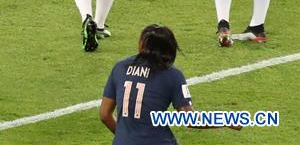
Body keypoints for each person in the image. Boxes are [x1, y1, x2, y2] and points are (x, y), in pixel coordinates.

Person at [100, 24, 241, 142]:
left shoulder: (120, 68)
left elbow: (105, 115)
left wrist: (127, 138)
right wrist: (225, 120)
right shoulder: (172, 75)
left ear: (142, 44)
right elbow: (190, 119)